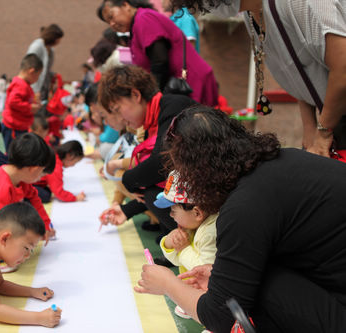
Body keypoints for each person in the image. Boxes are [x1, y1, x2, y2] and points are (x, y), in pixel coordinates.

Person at [136, 105, 346, 332]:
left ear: (197, 172)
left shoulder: (244, 206)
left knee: (254, 291)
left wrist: (168, 284)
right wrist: (222, 276)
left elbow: (221, 316)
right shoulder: (284, 158)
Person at [173, 0, 346, 158]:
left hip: (333, 118)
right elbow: (298, 70)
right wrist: (310, 126)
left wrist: (323, 132)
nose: (208, 7)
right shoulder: (253, 15)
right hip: (331, 118)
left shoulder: (304, 3)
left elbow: (342, 69)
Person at [97, 66, 196, 262]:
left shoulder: (173, 108)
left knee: (149, 186)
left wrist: (128, 180)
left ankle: (193, 246)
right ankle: (179, 242)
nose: (120, 119)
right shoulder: (154, 119)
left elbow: (163, 160)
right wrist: (127, 209)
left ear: (135, 95)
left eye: (117, 110)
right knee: (151, 191)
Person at [97, 0, 218, 106]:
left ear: (125, 5)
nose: (112, 24)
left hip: (189, 83)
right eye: (108, 22)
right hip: (179, 87)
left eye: (111, 16)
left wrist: (152, 97)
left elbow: (160, 61)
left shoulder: (144, 18)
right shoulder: (136, 25)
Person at [154, 171, 217, 319]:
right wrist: (170, 243)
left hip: (214, 292)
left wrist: (183, 249)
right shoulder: (192, 225)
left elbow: (204, 271)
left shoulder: (210, 233)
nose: (170, 215)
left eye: (173, 210)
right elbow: (179, 260)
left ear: (197, 213)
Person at [1, 54, 43, 153]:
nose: (37, 79)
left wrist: (34, 102)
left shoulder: (24, 84)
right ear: (31, 71)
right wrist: (29, 107)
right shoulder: (21, 84)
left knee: (18, 152)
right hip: (13, 127)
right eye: (38, 75)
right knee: (14, 153)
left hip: (19, 125)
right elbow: (13, 101)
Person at [26, 24, 64, 102]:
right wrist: (34, 89)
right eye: (58, 39)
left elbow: (46, 69)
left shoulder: (51, 50)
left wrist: (53, 75)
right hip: (34, 86)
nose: (59, 42)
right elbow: (28, 65)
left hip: (45, 86)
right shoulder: (37, 46)